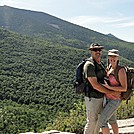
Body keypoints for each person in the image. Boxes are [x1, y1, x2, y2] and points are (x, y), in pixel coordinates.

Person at [83, 43, 120, 134]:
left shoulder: (100, 63)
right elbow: (95, 85)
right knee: (92, 122)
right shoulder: (89, 65)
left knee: (98, 121)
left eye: (99, 50)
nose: (98, 51)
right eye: (95, 50)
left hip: (101, 97)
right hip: (93, 98)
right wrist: (111, 92)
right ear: (91, 51)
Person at [98, 49, 127, 134]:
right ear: (108, 57)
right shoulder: (109, 68)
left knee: (102, 122)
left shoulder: (121, 70)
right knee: (112, 120)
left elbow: (124, 88)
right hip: (107, 98)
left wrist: (109, 87)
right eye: (111, 56)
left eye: (115, 56)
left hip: (115, 100)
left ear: (118, 58)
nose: (112, 58)